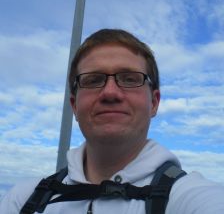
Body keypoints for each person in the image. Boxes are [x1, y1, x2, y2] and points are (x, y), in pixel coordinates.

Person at [0, 28, 224, 213]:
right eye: (93, 79)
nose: (110, 92)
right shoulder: (23, 200)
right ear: (74, 105)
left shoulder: (188, 198)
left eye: (129, 78)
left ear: (154, 102)